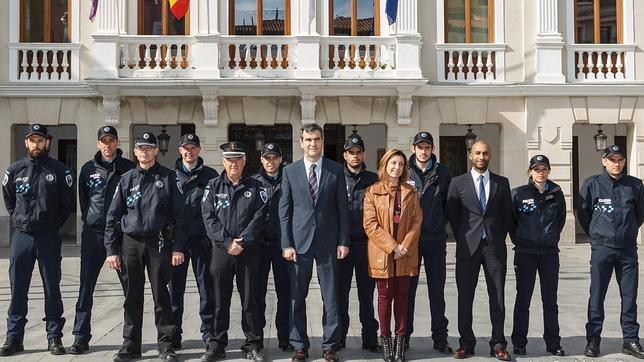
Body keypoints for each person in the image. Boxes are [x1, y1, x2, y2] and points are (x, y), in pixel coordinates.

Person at [105, 131, 186, 362]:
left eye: (149, 147)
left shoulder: (170, 178)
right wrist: (112, 250)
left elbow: (181, 216)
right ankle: (130, 345)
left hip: (158, 242)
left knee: (161, 295)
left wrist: (178, 247)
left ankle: (166, 345)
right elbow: (112, 217)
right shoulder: (127, 179)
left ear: (156, 150)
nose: (145, 151)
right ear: (135, 151)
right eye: (140, 147)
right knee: (132, 296)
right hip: (131, 242)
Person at [0, 124, 75, 357]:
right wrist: (22, 220)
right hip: (22, 236)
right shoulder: (14, 170)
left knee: (52, 288)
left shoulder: (60, 171)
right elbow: (9, 201)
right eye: (32, 140)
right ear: (26, 143)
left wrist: (51, 224)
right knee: (18, 289)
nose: (36, 144)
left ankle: (54, 337)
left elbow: (67, 204)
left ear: (47, 142)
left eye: (40, 140)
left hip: (48, 236)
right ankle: (14, 338)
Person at [279, 123, 350, 362]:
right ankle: (299, 345)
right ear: (301, 142)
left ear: (322, 141)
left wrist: (343, 241)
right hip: (299, 245)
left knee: (331, 298)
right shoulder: (290, 171)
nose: (312, 144)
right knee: (296, 297)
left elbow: (343, 210)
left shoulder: (335, 170)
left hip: (329, 243)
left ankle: (330, 345)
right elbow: (285, 211)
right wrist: (286, 244)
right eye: (308, 139)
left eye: (317, 139)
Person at [447, 140, 513, 361]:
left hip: (494, 248)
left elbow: (506, 216)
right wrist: (465, 238)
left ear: (490, 156)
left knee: (498, 297)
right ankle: (466, 343)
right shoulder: (458, 183)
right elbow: (453, 216)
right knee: (465, 297)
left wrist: (496, 236)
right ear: (470, 155)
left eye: (485, 153)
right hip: (468, 248)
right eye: (477, 153)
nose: (481, 156)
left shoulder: (502, 183)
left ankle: (499, 344)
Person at [201, 142, 267, 362]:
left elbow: (260, 217)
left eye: (237, 159)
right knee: (219, 300)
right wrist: (228, 242)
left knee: (250, 300)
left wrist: (243, 241)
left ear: (244, 161)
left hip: (248, 251)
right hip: (221, 251)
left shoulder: (256, 186)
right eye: (229, 159)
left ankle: (253, 344)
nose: (233, 164)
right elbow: (208, 218)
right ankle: (217, 344)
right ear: (223, 161)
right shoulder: (212, 186)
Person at [70, 126, 133, 355]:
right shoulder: (88, 169)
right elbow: (84, 200)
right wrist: (91, 219)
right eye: (103, 141)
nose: (107, 145)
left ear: (117, 142)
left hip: (121, 235)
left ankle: (131, 339)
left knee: (130, 288)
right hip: (94, 234)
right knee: (86, 287)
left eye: (111, 140)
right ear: (98, 144)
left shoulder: (128, 169)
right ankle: (80, 336)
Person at [578, 144, 644, 359]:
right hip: (602, 249)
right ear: (604, 161)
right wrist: (597, 235)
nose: (616, 164)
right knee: (597, 296)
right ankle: (593, 341)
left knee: (629, 296)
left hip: (627, 250)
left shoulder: (635, 185)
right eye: (612, 160)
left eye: (620, 160)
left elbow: (640, 214)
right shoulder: (592, 185)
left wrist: (629, 232)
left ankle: (631, 339)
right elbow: (584, 214)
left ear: (624, 162)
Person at [363, 148, 422, 362]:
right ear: (385, 165)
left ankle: (400, 343)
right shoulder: (372, 191)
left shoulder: (411, 192)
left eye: (400, 164)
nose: (396, 167)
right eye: (393, 163)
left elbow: (416, 220)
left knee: (403, 299)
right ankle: (385, 341)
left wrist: (404, 245)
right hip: (383, 254)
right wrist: (393, 246)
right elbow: (370, 225)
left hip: (405, 253)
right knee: (385, 299)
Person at [509, 155, 566, 357]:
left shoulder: (557, 193)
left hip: (549, 254)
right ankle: (519, 342)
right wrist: (523, 241)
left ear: (549, 171)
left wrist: (550, 238)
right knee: (523, 299)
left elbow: (560, 220)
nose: (540, 172)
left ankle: (553, 342)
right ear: (530, 171)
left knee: (550, 300)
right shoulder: (518, 194)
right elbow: (512, 223)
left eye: (544, 169)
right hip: (525, 253)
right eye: (536, 169)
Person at [168, 133, 218, 349]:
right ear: (180, 150)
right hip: (176, 243)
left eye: (193, 147)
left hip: (201, 240)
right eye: (185, 148)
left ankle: (208, 331)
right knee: (175, 289)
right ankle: (173, 332)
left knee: (206, 288)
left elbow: (216, 208)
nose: (189, 151)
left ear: (199, 149)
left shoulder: (211, 175)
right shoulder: (170, 176)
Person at [404, 132, 452, 354]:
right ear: (413, 148)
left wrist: (441, 226)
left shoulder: (443, 173)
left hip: (434, 239)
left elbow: (449, 205)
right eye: (419, 147)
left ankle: (440, 338)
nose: (423, 151)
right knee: (408, 292)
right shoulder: (403, 170)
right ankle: (404, 337)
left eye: (427, 147)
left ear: (433, 149)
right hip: (410, 242)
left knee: (436, 291)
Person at [337, 132, 380, 352]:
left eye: (358, 152)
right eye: (351, 153)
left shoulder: (373, 179)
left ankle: (370, 338)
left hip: (366, 245)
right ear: (345, 155)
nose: (355, 156)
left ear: (364, 154)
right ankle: (339, 337)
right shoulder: (336, 177)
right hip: (343, 245)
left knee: (366, 293)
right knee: (340, 294)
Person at [253, 142, 294, 352]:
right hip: (259, 246)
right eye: (267, 157)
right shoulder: (253, 182)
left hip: (282, 245)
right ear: (261, 159)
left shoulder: (289, 180)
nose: (271, 161)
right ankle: (257, 337)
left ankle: (285, 336)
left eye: (274, 157)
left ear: (280, 159)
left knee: (285, 294)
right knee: (257, 294)